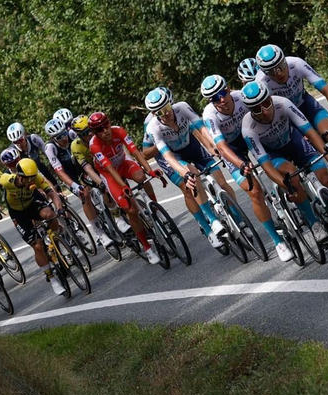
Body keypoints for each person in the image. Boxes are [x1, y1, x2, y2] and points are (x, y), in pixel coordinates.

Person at [200, 74, 289, 260]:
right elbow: (222, 147)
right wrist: (241, 164)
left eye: (223, 92)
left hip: (255, 136)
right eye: (215, 98)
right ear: (210, 101)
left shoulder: (243, 97)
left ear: (229, 88)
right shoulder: (209, 115)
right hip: (232, 150)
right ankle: (278, 242)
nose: (221, 99)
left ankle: (291, 200)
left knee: (282, 166)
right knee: (254, 192)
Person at [239, 82, 328, 241]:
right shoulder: (248, 128)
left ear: (270, 98)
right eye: (257, 108)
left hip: (294, 141)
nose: (264, 111)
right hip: (274, 154)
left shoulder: (283, 103)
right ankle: (314, 224)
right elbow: (266, 165)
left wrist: (327, 154)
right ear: (250, 110)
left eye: (265, 103)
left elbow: (309, 132)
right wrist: (286, 186)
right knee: (292, 178)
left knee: (324, 176)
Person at [141, 87, 230, 253]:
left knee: (221, 181)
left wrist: (214, 147)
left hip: (190, 146)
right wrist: (184, 172)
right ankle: (210, 226)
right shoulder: (152, 126)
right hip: (172, 155)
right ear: (154, 113)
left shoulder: (181, 107)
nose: (166, 113)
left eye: (167, 107)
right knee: (189, 185)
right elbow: (151, 154)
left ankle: (238, 220)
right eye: (160, 111)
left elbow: (200, 128)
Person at [253, 43, 328, 165]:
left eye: (280, 66)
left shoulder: (296, 63)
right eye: (272, 71)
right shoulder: (261, 83)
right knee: (307, 150)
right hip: (286, 117)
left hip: (304, 104)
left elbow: (326, 89)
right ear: (264, 72)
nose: (278, 73)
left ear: (285, 60)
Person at [85, 111, 161, 265]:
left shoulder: (119, 130)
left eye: (105, 126)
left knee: (142, 177)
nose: (105, 131)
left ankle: (155, 209)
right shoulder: (94, 145)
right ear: (94, 132)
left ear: (109, 122)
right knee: (130, 210)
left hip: (124, 163)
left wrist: (149, 169)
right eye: (99, 129)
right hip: (109, 174)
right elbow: (110, 168)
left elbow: (135, 152)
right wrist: (123, 186)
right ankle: (147, 248)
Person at [0, 150, 69, 297]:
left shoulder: (36, 178)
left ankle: (56, 240)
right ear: (19, 176)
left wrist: (59, 208)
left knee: (50, 214)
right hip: (18, 214)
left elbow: (52, 194)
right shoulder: (7, 180)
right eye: (27, 179)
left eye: (33, 178)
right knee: (37, 245)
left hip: (31, 204)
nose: (31, 181)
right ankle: (52, 278)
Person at [42, 118, 115, 248]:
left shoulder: (72, 135)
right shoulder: (50, 148)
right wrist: (75, 186)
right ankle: (99, 233)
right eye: (59, 137)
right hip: (69, 174)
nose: (64, 138)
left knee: (102, 184)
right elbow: (60, 172)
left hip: (81, 166)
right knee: (85, 194)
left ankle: (113, 213)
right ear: (53, 138)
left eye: (64, 133)